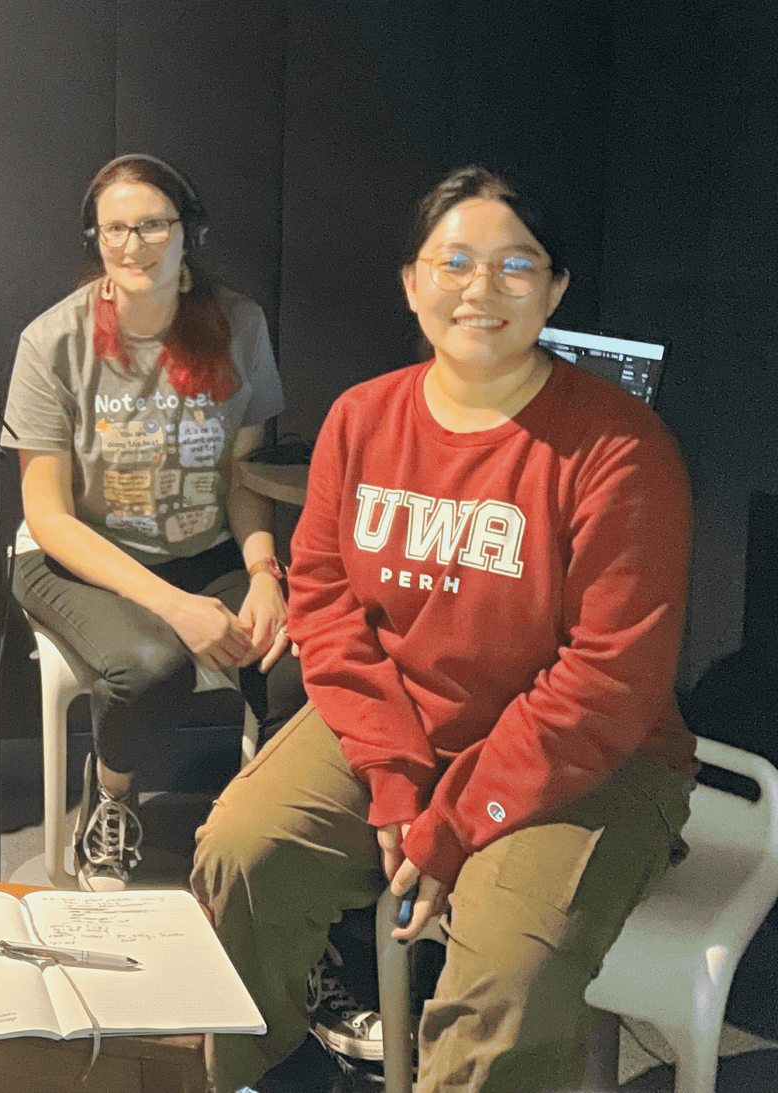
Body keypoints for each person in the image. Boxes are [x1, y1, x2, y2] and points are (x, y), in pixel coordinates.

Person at [190, 166, 697, 1093]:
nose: (481, 288)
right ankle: (260, 1070)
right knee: (241, 852)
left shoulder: (622, 449)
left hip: (589, 759)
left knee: (508, 974)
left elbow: (607, 681)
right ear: (412, 282)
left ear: (555, 289)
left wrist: (459, 820)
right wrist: (393, 780)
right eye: (453, 261)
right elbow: (329, 604)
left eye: (516, 266)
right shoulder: (363, 417)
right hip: (404, 721)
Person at [3, 153, 304, 891]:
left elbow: (244, 476)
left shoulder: (238, 325)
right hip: (75, 556)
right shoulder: (53, 341)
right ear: (95, 240)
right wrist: (171, 606)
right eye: (114, 230)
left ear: (187, 233)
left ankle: (261, 834)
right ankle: (110, 795)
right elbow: (47, 513)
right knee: (149, 666)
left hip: (207, 549)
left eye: (151, 225)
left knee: (296, 659)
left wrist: (266, 574)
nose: (132, 245)